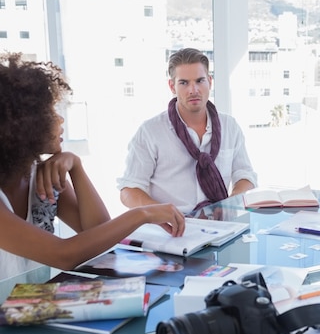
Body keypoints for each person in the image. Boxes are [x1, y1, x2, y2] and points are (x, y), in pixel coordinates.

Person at [0, 53, 185, 278]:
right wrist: (142, 213)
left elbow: (98, 233)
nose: (60, 120)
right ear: (22, 125)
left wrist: (76, 167)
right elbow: (63, 255)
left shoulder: (41, 175)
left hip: (33, 309)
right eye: (50, 112)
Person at [117, 48, 257, 215]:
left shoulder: (230, 126)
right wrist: (162, 213)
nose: (193, 90)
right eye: (184, 83)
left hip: (222, 227)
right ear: (172, 86)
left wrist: (229, 203)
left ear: (210, 82)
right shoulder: (150, 131)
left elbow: (245, 175)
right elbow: (129, 191)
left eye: (199, 81)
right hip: (172, 232)